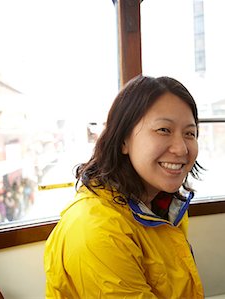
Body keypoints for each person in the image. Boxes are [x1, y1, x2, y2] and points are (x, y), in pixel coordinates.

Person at [44, 75, 204, 298]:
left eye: (189, 133)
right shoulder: (98, 231)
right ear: (123, 140)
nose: (181, 149)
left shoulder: (164, 204)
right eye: (164, 130)